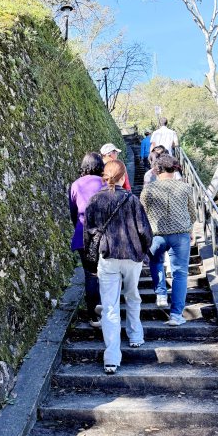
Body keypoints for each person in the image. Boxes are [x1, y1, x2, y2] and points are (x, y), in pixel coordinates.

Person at [84, 160, 153, 374]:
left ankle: (111, 357)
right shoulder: (132, 200)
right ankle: (135, 336)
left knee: (110, 306)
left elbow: (89, 232)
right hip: (132, 256)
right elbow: (145, 231)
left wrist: (90, 260)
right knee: (133, 295)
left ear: (105, 176)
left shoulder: (95, 200)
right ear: (123, 177)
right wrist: (145, 249)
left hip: (108, 256)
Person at [140, 155, 196, 326]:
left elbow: (141, 215)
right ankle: (176, 315)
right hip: (180, 235)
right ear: (175, 169)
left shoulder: (148, 190)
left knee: (156, 262)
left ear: (156, 170)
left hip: (156, 235)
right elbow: (192, 213)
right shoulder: (185, 187)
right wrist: (189, 229)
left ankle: (161, 293)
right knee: (180, 274)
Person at [69, 153, 105, 324]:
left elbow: (73, 213)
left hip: (83, 235)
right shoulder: (106, 182)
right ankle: (108, 311)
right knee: (108, 274)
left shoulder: (76, 184)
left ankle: (94, 315)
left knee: (91, 274)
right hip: (105, 235)